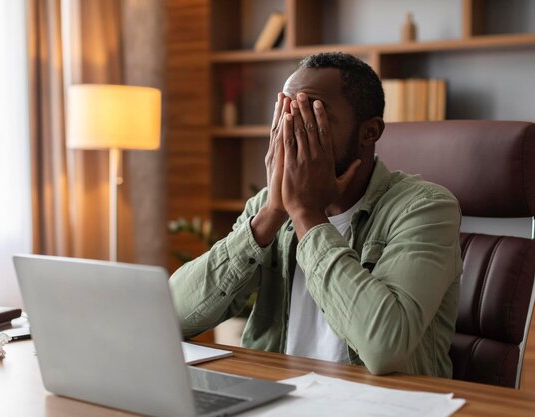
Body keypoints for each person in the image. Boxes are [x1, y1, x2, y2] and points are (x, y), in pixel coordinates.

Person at [170, 52, 462, 377]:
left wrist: (307, 215)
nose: (291, 130)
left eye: (312, 113)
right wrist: (271, 214)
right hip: (279, 400)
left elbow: (384, 348)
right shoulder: (270, 207)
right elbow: (171, 316)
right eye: (286, 112)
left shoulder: (425, 208)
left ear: (369, 132)